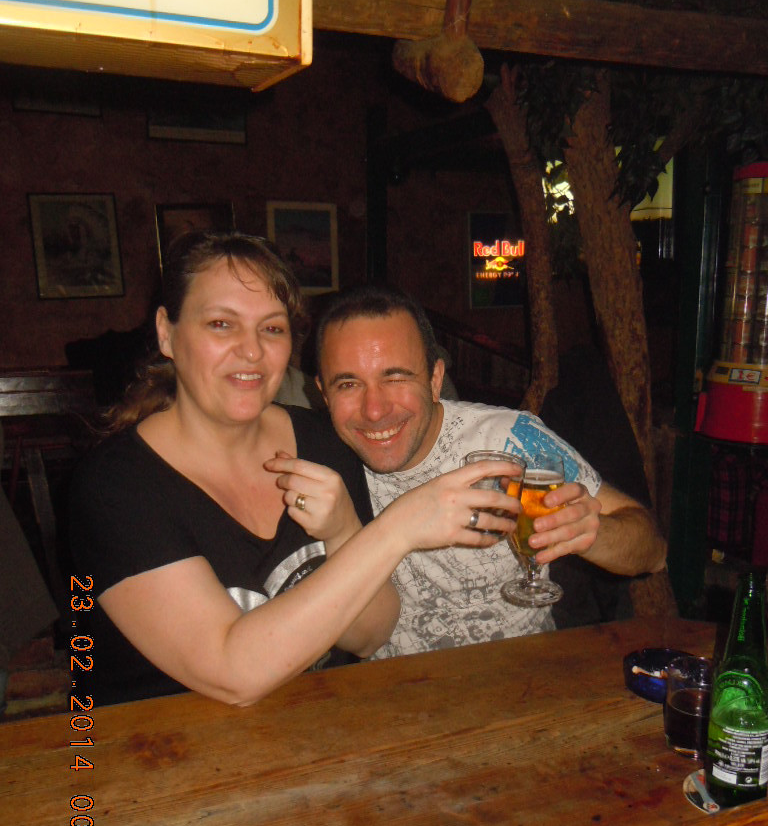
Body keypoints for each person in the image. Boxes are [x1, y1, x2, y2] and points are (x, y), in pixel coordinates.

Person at [69, 233, 521, 706]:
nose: (251, 351)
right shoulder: (115, 486)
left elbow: (370, 636)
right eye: (221, 324)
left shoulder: (323, 441)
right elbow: (233, 673)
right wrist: (398, 528)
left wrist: (345, 531)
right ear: (167, 332)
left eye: (271, 328)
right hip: (160, 743)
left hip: (322, 729)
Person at [314, 284, 668, 659]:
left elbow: (653, 552)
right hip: (392, 686)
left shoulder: (511, 438)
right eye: (348, 384)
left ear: (435, 380)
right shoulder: (321, 462)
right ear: (323, 394)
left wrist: (592, 534)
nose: (374, 410)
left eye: (395, 378)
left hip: (520, 674)